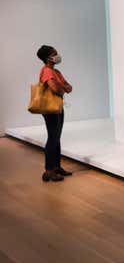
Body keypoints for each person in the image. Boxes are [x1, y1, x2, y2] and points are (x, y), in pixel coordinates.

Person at [36, 45, 73, 182]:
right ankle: (49, 171)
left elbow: (69, 87)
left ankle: (56, 167)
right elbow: (55, 88)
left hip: (57, 107)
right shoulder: (47, 71)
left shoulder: (56, 72)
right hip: (50, 109)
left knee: (56, 137)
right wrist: (62, 88)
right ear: (47, 57)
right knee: (53, 137)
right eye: (54, 53)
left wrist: (62, 88)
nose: (57, 55)